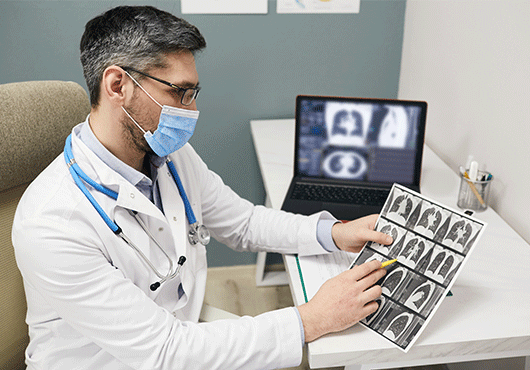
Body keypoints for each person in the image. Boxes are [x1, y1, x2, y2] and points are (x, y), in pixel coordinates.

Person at [12, 6, 393, 370]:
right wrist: (312, 318)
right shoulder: (51, 222)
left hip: (180, 332)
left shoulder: (171, 157)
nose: (191, 111)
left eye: (194, 93)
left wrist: (333, 233)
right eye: (180, 92)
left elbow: (243, 223)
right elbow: (165, 351)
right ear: (118, 86)